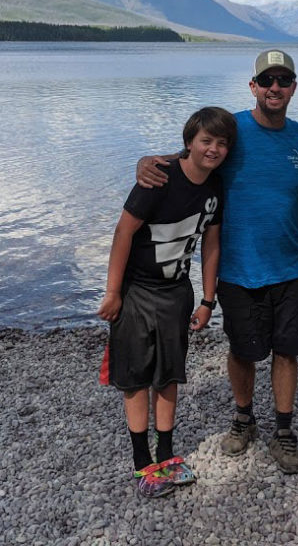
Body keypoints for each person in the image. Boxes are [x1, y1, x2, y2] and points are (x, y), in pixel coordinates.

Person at [136, 49, 298, 474]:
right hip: (238, 268)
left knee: (286, 351)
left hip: (291, 265)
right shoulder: (232, 131)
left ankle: (284, 430)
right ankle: (243, 418)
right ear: (253, 86)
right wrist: (148, 161)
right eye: (267, 80)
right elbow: (194, 156)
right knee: (242, 349)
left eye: (283, 80)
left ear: (293, 87)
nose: (275, 87)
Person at [98, 106, 237, 498]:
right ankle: (143, 463)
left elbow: (211, 243)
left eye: (221, 144)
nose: (213, 149)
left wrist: (208, 299)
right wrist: (113, 293)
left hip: (177, 293)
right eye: (205, 141)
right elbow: (123, 232)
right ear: (189, 142)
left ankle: (168, 454)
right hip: (137, 293)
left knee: (169, 375)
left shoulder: (215, 187)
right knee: (136, 377)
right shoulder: (156, 179)